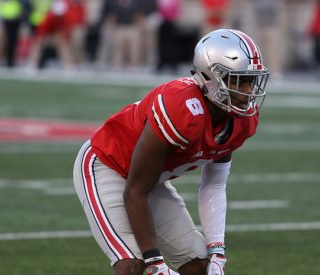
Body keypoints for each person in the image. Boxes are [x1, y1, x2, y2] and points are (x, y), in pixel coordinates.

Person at [73, 29, 270, 275]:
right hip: (107, 164)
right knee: (132, 264)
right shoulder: (181, 108)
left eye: (251, 80)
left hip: (148, 178)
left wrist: (217, 250)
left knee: (199, 264)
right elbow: (135, 191)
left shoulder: (242, 120)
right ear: (211, 77)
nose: (249, 91)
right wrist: (155, 262)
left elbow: (214, 186)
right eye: (239, 80)